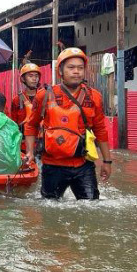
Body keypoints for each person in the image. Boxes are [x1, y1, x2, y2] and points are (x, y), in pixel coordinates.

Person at [24, 47, 112, 200]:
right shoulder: (44, 95)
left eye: (80, 68)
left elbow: (100, 130)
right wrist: (30, 152)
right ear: (60, 71)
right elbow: (31, 125)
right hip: (52, 165)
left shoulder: (94, 97)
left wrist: (107, 161)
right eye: (71, 67)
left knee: (91, 209)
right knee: (49, 211)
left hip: (83, 165)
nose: (76, 71)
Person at [11, 63, 41, 131]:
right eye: (30, 76)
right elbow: (13, 123)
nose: (34, 79)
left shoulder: (43, 97)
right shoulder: (17, 100)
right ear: (23, 79)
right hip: (23, 139)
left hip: (40, 139)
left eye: (36, 76)